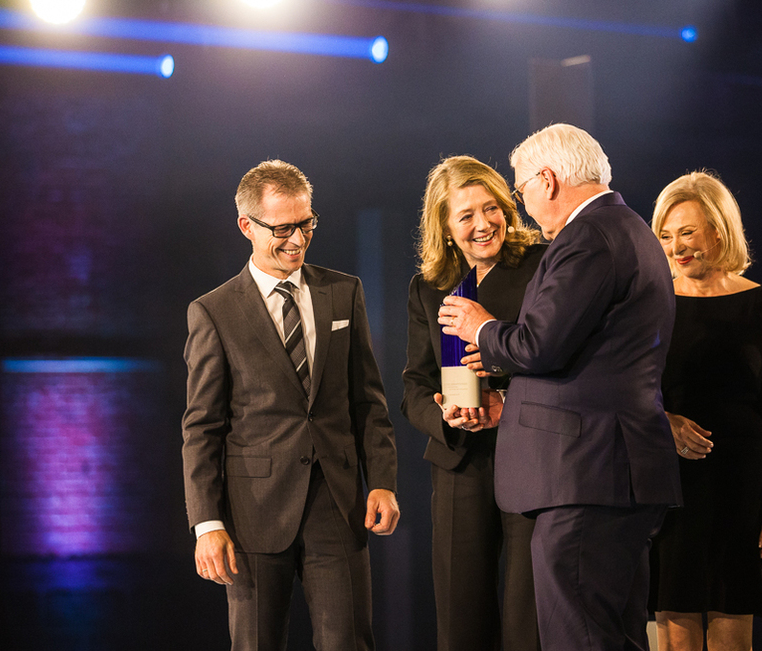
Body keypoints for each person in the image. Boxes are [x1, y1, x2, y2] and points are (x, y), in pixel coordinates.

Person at [438, 124, 683, 651]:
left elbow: (539, 345)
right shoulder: (628, 227)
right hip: (612, 472)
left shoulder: (588, 237)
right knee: (615, 636)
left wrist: (480, 326)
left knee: (580, 639)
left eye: (522, 191)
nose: (524, 206)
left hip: (585, 475)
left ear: (547, 180)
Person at [182, 159, 400, 651]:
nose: (297, 240)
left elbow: (368, 399)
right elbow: (202, 427)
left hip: (338, 504)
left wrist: (383, 480)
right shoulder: (213, 311)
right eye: (282, 228)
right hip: (252, 513)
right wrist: (207, 524)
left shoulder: (344, 292)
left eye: (307, 224)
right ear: (246, 226)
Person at [648, 171, 762, 651]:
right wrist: (665, 422)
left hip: (743, 488)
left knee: (733, 635)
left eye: (688, 232)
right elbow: (623, 392)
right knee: (676, 635)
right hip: (669, 484)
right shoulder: (647, 307)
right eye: (666, 235)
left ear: (719, 230)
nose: (677, 247)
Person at [402, 155, 545, 651]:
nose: (483, 224)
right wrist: (444, 413)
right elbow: (414, 386)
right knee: (461, 622)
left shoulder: (541, 265)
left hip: (532, 457)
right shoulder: (428, 287)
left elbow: (561, 357)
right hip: (459, 462)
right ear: (444, 227)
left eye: (492, 209)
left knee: (529, 620)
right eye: (466, 216)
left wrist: (503, 396)